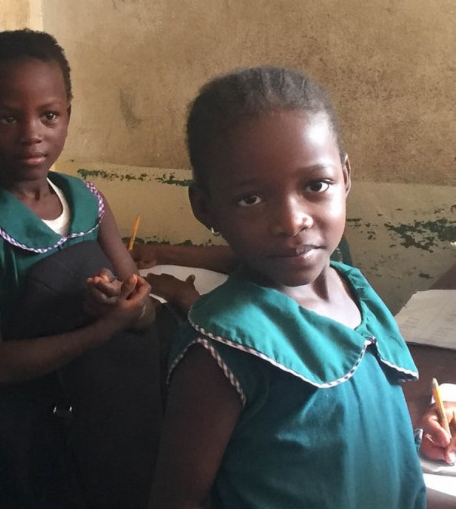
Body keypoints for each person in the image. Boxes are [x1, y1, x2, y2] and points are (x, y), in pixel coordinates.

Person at [149, 65, 427, 508]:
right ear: (206, 207)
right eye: (250, 199)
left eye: (315, 185)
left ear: (346, 177)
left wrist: (414, 428)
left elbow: (353, 433)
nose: (291, 220)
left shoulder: (355, 292)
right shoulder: (221, 349)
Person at [0, 29, 164, 509]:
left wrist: (123, 306)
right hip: (37, 442)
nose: (31, 133)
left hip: (112, 422)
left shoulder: (88, 200)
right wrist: (104, 327)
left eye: (48, 115)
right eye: (8, 117)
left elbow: (142, 306)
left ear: (68, 113)